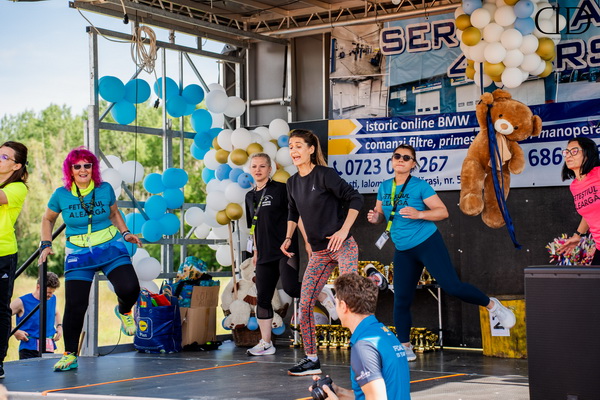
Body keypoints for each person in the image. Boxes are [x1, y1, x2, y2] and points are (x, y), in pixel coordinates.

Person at [366, 144, 516, 361]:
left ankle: (492, 305)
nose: (400, 160)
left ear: (413, 164)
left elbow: (443, 212)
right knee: (401, 298)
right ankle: (405, 346)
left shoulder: (420, 186)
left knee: (452, 286)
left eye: (406, 158)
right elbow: (380, 215)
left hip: (427, 242)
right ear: (392, 160)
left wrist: (419, 214)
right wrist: (375, 218)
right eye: (397, 156)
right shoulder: (384, 187)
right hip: (403, 249)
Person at [39, 147, 142, 372]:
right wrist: (46, 244)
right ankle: (70, 355)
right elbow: (47, 219)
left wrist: (126, 233)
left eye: (87, 165)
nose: (83, 169)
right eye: (77, 166)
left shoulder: (105, 189)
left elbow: (114, 213)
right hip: (78, 253)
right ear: (70, 170)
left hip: (110, 247)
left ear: (93, 168)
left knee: (130, 288)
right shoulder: (61, 194)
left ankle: (124, 310)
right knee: (76, 305)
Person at [281, 129, 364, 376]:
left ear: (310, 149)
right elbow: (293, 212)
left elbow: (356, 198)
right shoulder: (292, 183)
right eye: (290, 147)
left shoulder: (324, 175)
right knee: (304, 305)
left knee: (350, 300)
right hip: (319, 253)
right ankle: (311, 359)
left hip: (343, 246)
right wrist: (288, 237)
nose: (293, 151)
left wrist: (343, 231)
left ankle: (364, 353)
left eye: (298, 146)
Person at [309, 273, 410, 400]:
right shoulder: (384, 334)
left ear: (343, 306)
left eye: (336, 302)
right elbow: (373, 395)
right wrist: (338, 392)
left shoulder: (363, 347)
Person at [244, 152, 302, 356]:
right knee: (263, 298)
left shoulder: (281, 189)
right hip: (264, 254)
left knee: (291, 288)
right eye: (254, 166)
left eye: (262, 166)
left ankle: (322, 294)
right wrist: (255, 251)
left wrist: (307, 243)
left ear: (270, 169)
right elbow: (253, 227)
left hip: (285, 250)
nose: (258, 170)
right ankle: (266, 343)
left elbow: (296, 216)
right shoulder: (249, 196)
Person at [0, 141, 29, 378]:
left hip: (3, 254)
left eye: (4, 157)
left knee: (0, 309)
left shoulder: (18, 188)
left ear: (16, 165)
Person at [557, 137, 600, 263]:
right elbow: (589, 213)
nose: (568, 155)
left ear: (588, 154)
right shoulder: (575, 186)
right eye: (566, 152)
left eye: (574, 151)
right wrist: (577, 235)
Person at [11, 272, 62, 360]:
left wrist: (59, 326)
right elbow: (3, 316)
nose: (50, 295)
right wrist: (14, 331)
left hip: (48, 347)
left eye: (53, 292)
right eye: (48, 292)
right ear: (38, 287)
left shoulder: (52, 298)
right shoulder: (22, 301)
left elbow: (56, 312)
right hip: (28, 349)